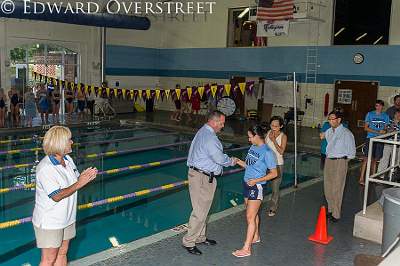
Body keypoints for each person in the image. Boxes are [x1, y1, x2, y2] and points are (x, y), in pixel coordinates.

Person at [32, 126, 97, 266]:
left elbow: (75, 182)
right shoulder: (45, 168)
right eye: (69, 140)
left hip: (67, 218)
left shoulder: (67, 160)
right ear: (59, 143)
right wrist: (80, 183)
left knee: (63, 252)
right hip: (50, 221)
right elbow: (56, 195)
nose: (72, 142)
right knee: (48, 260)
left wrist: (85, 177)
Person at [183, 110, 238, 255]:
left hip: (198, 174)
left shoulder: (203, 131)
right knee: (200, 211)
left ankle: (200, 237)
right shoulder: (210, 138)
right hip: (202, 178)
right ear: (213, 122)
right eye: (221, 123)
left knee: (202, 209)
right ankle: (189, 241)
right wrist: (232, 161)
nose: (223, 126)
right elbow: (220, 159)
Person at [232, 125, 278, 258]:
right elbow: (249, 166)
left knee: (250, 217)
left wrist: (257, 180)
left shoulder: (267, 152)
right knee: (252, 213)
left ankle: (246, 248)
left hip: (256, 186)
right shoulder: (253, 147)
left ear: (257, 136)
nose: (249, 139)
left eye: (250, 137)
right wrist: (238, 161)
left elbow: (274, 173)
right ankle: (256, 236)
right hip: (246, 183)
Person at [320, 110, 356, 222]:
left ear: (339, 120)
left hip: (340, 161)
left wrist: (343, 161)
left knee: (337, 188)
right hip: (329, 160)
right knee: (328, 187)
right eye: (329, 119)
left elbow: (352, 152)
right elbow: (322, 136)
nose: (330, 121)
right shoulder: (329, 131)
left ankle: (336, 214)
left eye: (333, 119)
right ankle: (330, 210)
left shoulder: (346, 133)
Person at [359, 100, 390, 185]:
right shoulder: (370, 114)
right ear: (375, 106)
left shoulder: (386, 116)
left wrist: (384, 131)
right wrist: (377, 132)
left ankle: (372, 177)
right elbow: (365, 128)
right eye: (376, 106)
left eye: (380, 106)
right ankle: (361, 178)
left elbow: (386, 128)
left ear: (382, 107)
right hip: (370, 138)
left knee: (376, 159)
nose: (378, 107)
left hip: (380, 140)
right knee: (366, 158)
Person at [265, 116, 287, 217]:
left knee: (275, 188)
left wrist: (274, 140)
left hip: (277, 164)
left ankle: (273, 208)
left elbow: (281, 151)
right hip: (266, 164)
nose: (273, 128)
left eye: (276, 126)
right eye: (272, 125)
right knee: (261, 185)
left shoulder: (283, 136)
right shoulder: (268, 133)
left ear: (281, 126)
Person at [377, 109, 400, 179]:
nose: (398, 116)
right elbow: (387, 130)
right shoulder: (389, 122)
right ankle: (380, 175)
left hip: (397, 144)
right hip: (388, 143)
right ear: (394, 115)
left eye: (399, 115)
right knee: (384, 159)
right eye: (397, 114)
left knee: (396, 160)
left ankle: (393, 175)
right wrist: (393, 126)